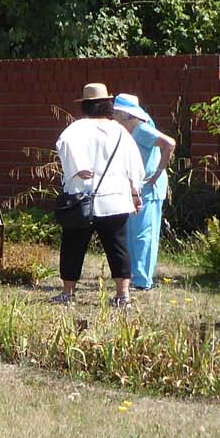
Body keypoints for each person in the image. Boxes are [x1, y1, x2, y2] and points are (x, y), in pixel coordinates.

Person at [55, 83, 143, 308]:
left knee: (73, 246)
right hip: (115, 197)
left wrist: (78, 168)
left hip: (82, 198)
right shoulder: (119, 131)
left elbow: (63, 145)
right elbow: (135, 164)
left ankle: (68, 293)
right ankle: (123, 295)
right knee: (119, 247)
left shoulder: (76, 129)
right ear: (107, 105)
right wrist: (135, 192)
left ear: (85, 105)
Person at [113, 93, 177, 291]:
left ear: (125, 114)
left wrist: (158, 172)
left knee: (144, 234)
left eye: (115, 112)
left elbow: (169, 143)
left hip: (150, 188)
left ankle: (143, 281)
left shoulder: (140, 128)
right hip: (138, 188)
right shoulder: (130, 127)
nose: (113, 116)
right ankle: (135, 275)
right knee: (134, 232)